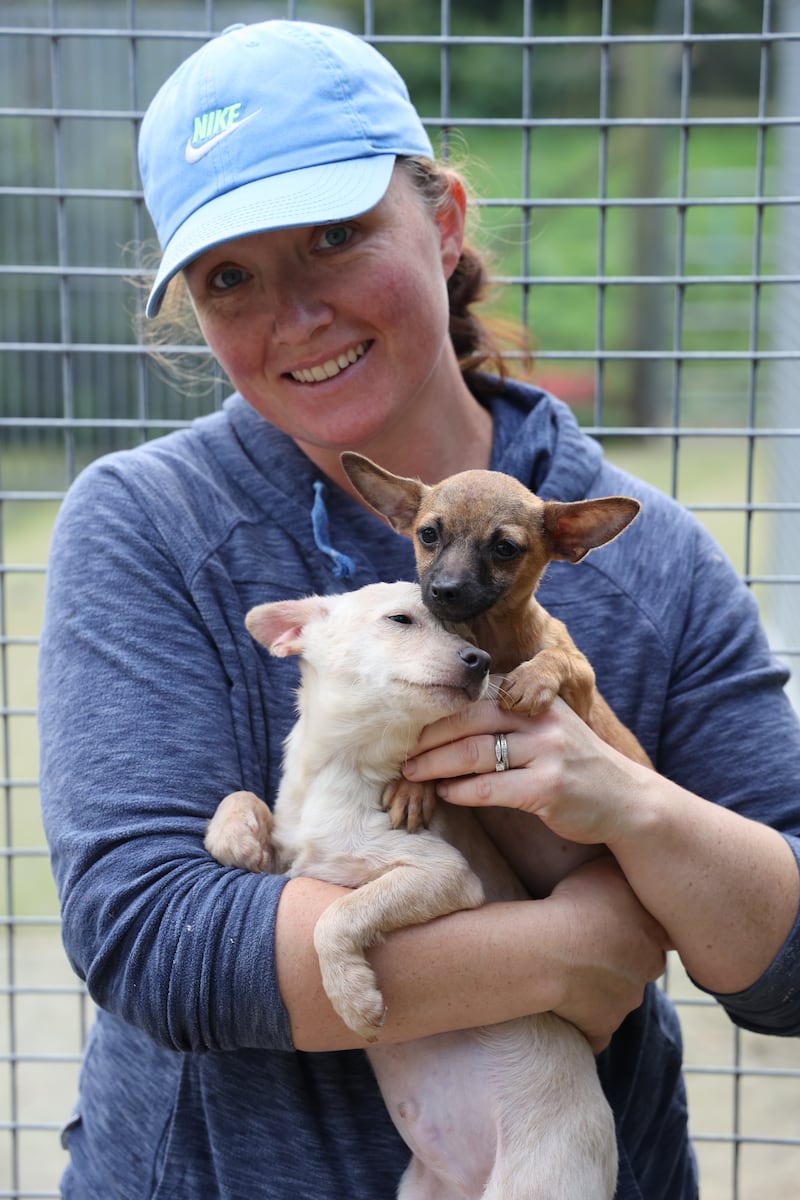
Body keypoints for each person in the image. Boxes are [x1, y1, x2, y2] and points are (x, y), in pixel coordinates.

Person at [37, 19, 800, 1200]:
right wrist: (574, 947)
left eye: (336, 237)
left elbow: (784, 962)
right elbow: (154, 948)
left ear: (441, 225)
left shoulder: (650, 559)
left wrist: (635, 812)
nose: (295, 318)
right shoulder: (147, 525)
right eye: (228, 277)